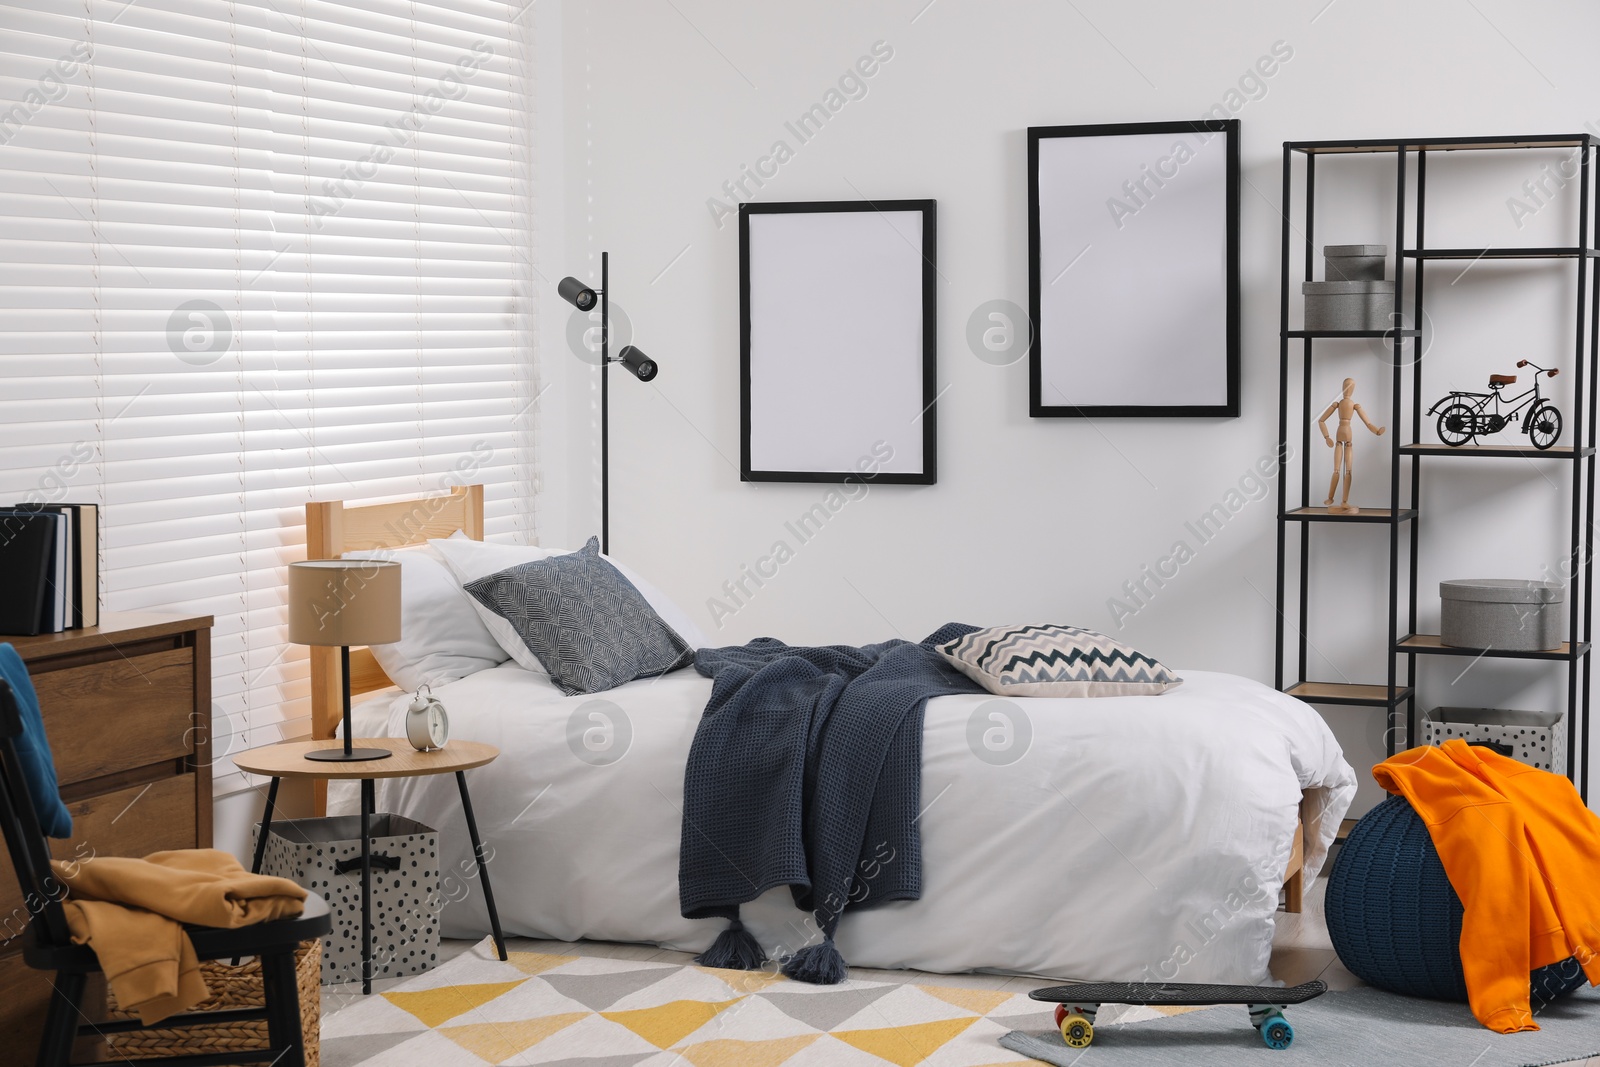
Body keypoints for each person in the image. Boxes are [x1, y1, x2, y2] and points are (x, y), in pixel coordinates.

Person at [1318, 377, 1385, 513]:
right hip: (1339, 436)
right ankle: (1330, 497)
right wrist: (1327, 437)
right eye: (1347, 387)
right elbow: (1321, 420)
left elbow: (1368, 423)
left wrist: (1377, 431)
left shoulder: (1354, 405)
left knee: (1347, 470)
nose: (1348, 390)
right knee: (1337, 469)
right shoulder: (1337, 404)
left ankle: (1344, 501)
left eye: (1350, 387)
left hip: (1347, 437)